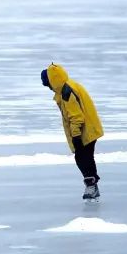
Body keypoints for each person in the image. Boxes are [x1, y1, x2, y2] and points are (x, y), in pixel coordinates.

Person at [42, 63, 104, 201]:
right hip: (89, 127)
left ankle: (92, 186)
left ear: (52, 81)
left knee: (82, 158)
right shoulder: (67, 87)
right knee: (85, 157)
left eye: (48, 84)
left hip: (85, 130)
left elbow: (76, 117)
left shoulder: (67, 92)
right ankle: (92, 185)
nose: (49, 88)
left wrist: (76, 136)